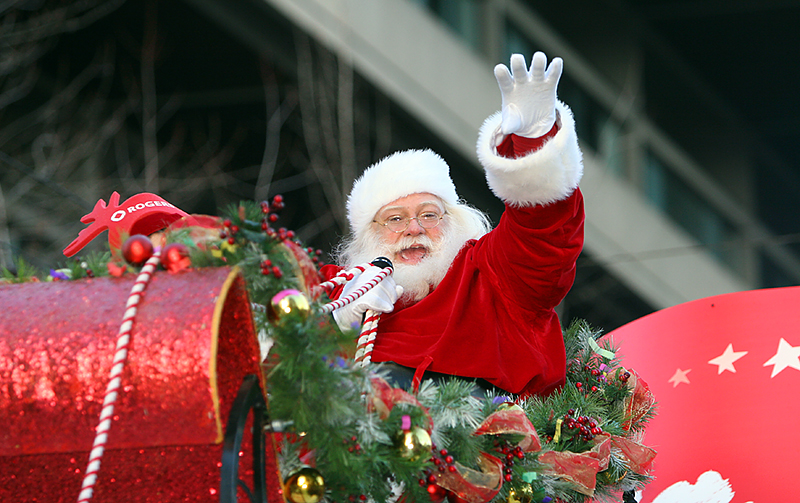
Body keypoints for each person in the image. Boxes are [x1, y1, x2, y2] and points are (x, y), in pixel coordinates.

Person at [321, 52, 584, 398]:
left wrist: (535, 141)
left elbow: (544, 237)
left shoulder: (489, 276)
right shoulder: (335, 289)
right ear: (370, 236)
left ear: (455, 222)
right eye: (395, 219)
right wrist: (335, 324)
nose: (413, 228)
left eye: (429, 215)